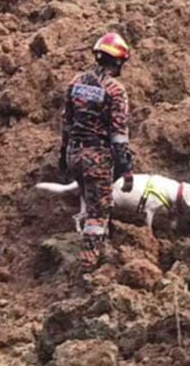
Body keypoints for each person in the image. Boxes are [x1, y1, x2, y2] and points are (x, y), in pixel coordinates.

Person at [59, 32, 135, 270]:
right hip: (97, 157)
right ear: (118, 61)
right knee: (99, 211)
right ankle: (89, 262)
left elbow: (67, 122)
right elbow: (118, 133)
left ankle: (100, 244)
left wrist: (63, 154)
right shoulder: (115, 90)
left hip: (74, 153)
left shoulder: (76, 82)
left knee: (90, 201)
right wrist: (126, 167)